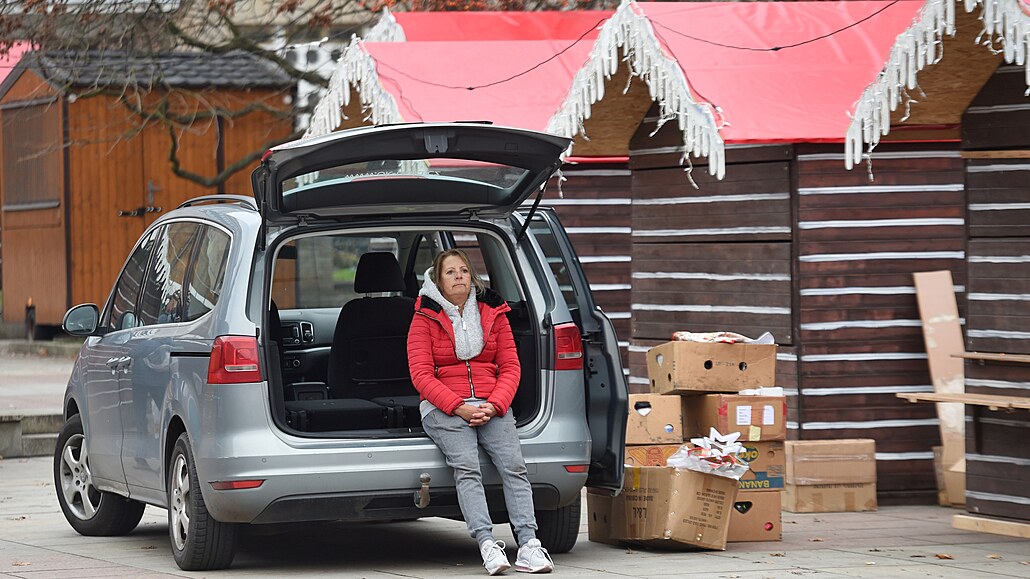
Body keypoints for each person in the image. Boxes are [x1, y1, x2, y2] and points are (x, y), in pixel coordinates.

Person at [407, 249, 554, 575]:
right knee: (468, 467)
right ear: (437, 280)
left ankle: (529, 544)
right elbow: (421, 376)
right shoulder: (424, 317)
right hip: (443, 407)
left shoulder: (494, 312)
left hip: (491, 404)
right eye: (450, 272)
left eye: (463, 270)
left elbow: (511, 367)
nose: (458, 275)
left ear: (472, 276)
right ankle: (487, 544)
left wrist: (496, 404)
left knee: (514, 467)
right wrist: (457, 407)